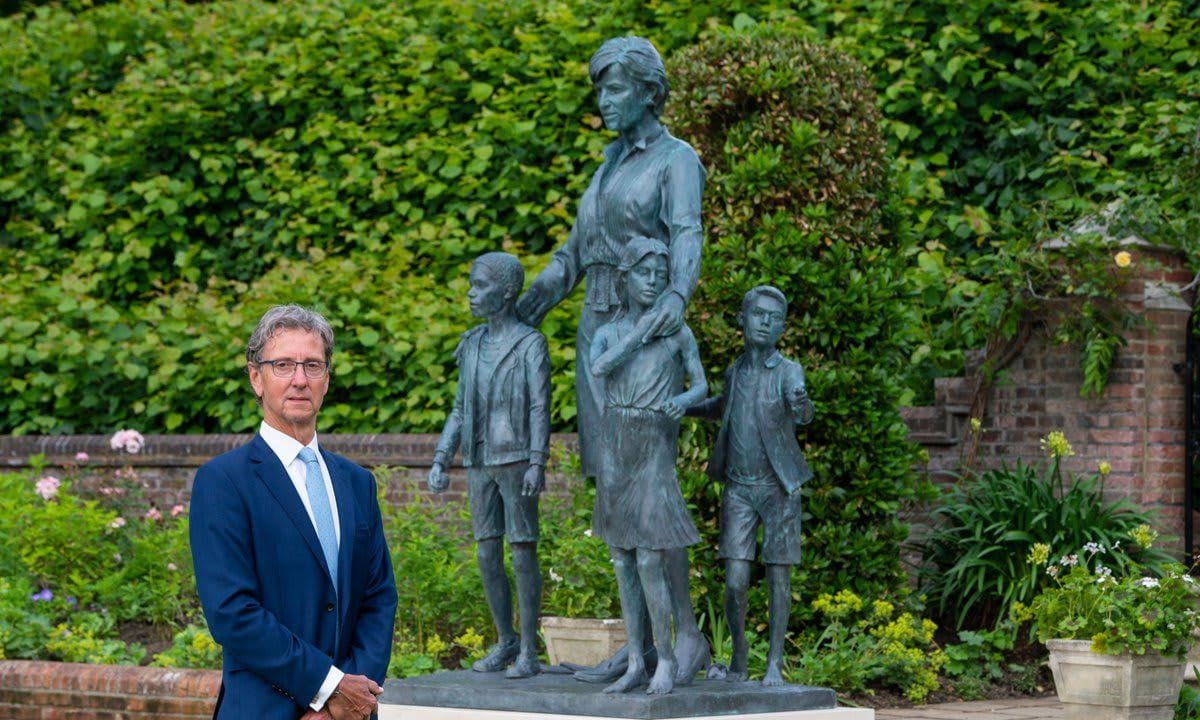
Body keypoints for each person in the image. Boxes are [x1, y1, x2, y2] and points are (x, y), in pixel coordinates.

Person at [516, 34, 710, 686]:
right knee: (614, 493)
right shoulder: (606, 167)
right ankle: (644, 644)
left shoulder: (676, 160)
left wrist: (678, 294)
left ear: (649, 91)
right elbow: (574, 253)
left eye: (615, 87)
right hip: (596, 335)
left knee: (651, 494)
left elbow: (687, 232)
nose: (604, 100)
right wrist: (537, 296)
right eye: (600, 88)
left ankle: (687, 640)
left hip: (644, 334)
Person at [190, 305, 398, 720]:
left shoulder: (357, 483)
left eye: (312, 365)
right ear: (256, 378)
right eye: (283, 365)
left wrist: (345, 704)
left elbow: (378, 599)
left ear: (326, 379)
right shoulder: (224, 482)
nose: (299, 379)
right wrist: (329, 688)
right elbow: (231, 612)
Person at [588, 238, 708, 695]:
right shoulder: (608, 332)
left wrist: (682, 399)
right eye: (644, 272)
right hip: (617, 441)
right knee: (621, 559)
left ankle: (667, 657)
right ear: (625, 278)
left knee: (651, 556)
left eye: (660, 274)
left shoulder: (678, 331)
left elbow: (701, 383)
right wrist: (641, 332)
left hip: (655, 442)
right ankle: (637, 660)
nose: (654, 280)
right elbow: (599, 367)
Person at [429, 252, 550, 680]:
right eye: (471, 284)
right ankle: (506, 640)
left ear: (507, 291)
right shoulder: (473, 344)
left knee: (522, 552)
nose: (470, 292)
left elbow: (540, 407)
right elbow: (459, 410)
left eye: (479, 286)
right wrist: (443, 456)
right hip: (480, 460)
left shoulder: (530, 344)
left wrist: (538, 461)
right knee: (486, 554)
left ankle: (530, 651)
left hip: (516, 459)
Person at [688, 286, 815, 686]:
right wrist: (680, 406)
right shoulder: (735, 371)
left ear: (782, 327)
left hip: (779, 488)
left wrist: (801, 404)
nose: (765, 322)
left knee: (779, 578)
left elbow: (805, 412)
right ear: (742, 320)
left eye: (774, 317)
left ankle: (775, 662)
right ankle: (740, 650)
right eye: (758, 314)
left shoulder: (789, 371)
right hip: (739, 490)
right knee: (735, 582)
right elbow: (721, 408)